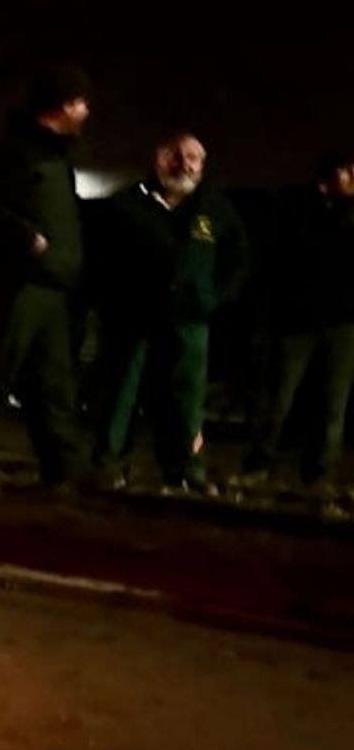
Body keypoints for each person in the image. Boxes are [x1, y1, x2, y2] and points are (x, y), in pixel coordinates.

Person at [0, 63, 93, 494]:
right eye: (81, 103)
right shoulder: (10, 154)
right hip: (16, 287)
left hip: (52, 289)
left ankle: (65, 467)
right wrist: (29, 241)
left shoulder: (56, 161)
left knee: (54, 383)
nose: (86, 111)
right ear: (61, 106)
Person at [86, 132, 248, 494]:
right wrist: (111, 300)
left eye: (193, 157)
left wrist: (214, 298)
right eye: (176, 155)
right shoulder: (128, 205)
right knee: (120, 397)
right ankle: (108, 466)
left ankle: (187, 469)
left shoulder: (215, 210)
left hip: (189, 323)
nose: (184, 164)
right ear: (159, 159)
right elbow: (98, 259)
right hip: (133, 321)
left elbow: (238, 261)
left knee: (186, 400)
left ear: (202, 166)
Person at [237, 152, 354, 493]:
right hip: (296, 320)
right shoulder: (298, 209)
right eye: (347, 171)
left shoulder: (350, 215)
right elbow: (279, 258)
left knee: (334, 403)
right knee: (278, 400)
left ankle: (319, 472)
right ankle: (259, 464)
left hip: (343, 323)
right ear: (330, 175)